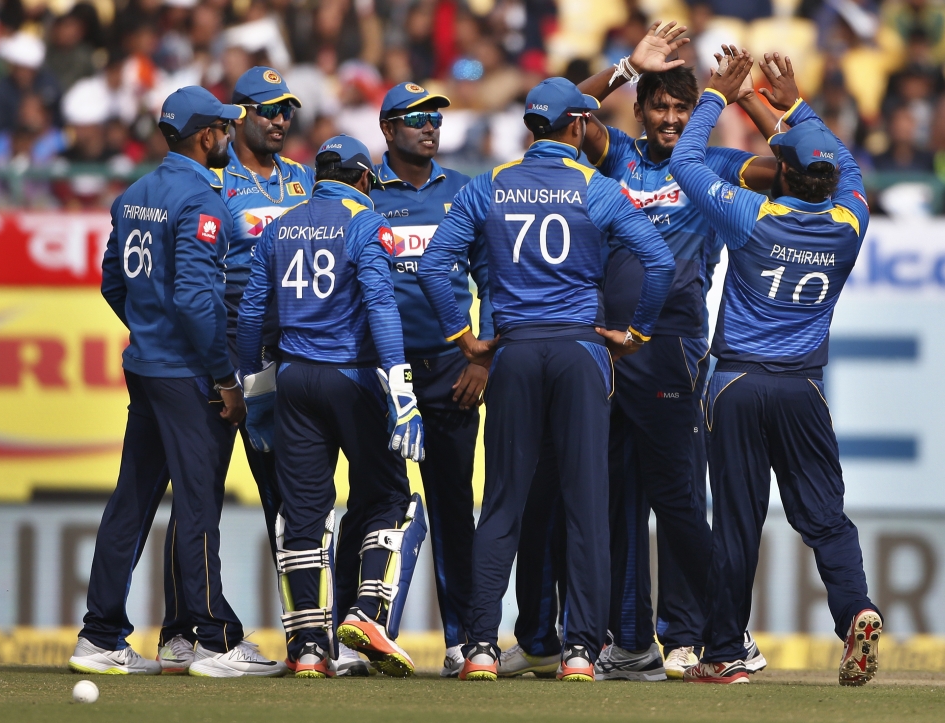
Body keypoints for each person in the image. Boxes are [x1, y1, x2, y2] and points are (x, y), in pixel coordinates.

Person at [499, 24, 773, 681]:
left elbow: (793, 165)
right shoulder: (616, 154)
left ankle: (703, 633)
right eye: (661, 106)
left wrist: (747, 104)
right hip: (601, 348)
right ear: (642, 111)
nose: (673, 117)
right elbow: (551, 113)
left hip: (671, 347)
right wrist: (625, 67)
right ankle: (631, 640)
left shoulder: (711, 168)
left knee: (678, 499)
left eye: (683, 107)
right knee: (611, 500)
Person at [418, 77, 676, 682]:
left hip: (513, 352)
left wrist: (465, 339)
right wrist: (635, 334)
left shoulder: (490, 185)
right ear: (580, 126)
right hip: (580, 351)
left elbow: (436, 264)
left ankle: (480, 646)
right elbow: (659, 261)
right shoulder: (599, 188)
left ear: (533, 128)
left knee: (503, 500)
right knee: (586, 504)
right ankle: (582, 653)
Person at [670, 51, 882, 686]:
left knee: (735, 522)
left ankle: (724, 652)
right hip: (803, 388)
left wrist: (716, 95)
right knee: (825, 517)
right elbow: (840, 165)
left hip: (735, 383)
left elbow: (684, 162)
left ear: (780, 176)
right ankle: (857, 610)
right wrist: (788, 105)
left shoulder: (753, 214)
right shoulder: (850, 221)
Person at [70, 86, 282, 678]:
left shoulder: (134, 194)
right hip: (188, 374)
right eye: (221, 127)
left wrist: (150, 329)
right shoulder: (200, 200)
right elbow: (196, 298)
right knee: (197, 506)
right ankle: (212, 641)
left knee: (131, 504)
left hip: (146, 367)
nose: (227, 136)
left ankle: (100, 635)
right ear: (205, 135)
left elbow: (114, 281)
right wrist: (225, 379)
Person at [152, 66, 338, 675]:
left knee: (287, 494)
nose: (280, 119)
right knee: (197, 494)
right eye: (266, 109)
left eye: (287, 109)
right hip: (220, 342)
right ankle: (183, 633)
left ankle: (307, 636)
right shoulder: (213, 182)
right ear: (237, 118)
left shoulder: (305, 180)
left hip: (283, 348)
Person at [237, 134, 427, 678]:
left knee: (303, 513)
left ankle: (309, 650)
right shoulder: (366, 223)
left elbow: (252, 317)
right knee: (393, 496)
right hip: (356, 379)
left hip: (294, 380)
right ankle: (367, 614)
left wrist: (256, 389)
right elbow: (382, 307)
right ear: (364, 179)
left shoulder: (280, 224)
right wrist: (402, 390)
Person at [355, 81, 493, 678]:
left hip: (450, 372)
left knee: (453, 510)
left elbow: (494, 280)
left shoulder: (463, 191)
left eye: (434, 116)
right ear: (387, 129)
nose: (428, 126)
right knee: (370, 507)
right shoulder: (361, 191)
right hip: (379, 374)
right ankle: (361, 632)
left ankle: (462, 640)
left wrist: (482, 359)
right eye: (414, 118)